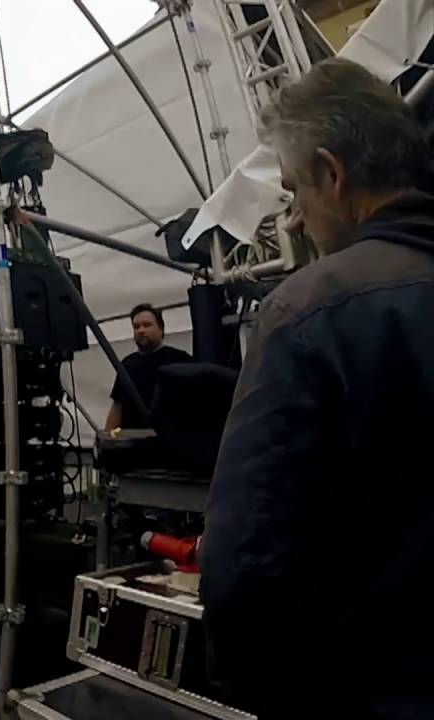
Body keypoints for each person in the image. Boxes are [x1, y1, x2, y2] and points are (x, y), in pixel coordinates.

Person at [201, 59, 434, 718]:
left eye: (295, 191)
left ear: (333, 175)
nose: (297, 221)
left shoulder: (306, 310)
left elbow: (242, 566)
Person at [104, 303, 192, 430]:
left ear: (161, 329)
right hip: (133, 438)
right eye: (136, 327)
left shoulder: (180, 360)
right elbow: (117, 405)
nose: (140, 330)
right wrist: (107, 436)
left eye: (147, 325)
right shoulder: (127, 364)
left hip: (169, 437)